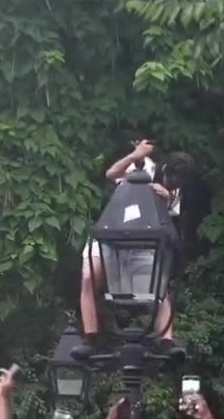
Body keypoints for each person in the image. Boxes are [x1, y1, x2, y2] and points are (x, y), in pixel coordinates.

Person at [79, 137, 185, 350]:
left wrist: (165, 199)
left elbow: (171, 216)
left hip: (142, 243)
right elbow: (112, 174)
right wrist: (134, 157)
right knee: (89, 276)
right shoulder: (130, 168)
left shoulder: (169, 180)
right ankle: (91, 337)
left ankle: (167, 341)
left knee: (160, 287)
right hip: (110, 235)